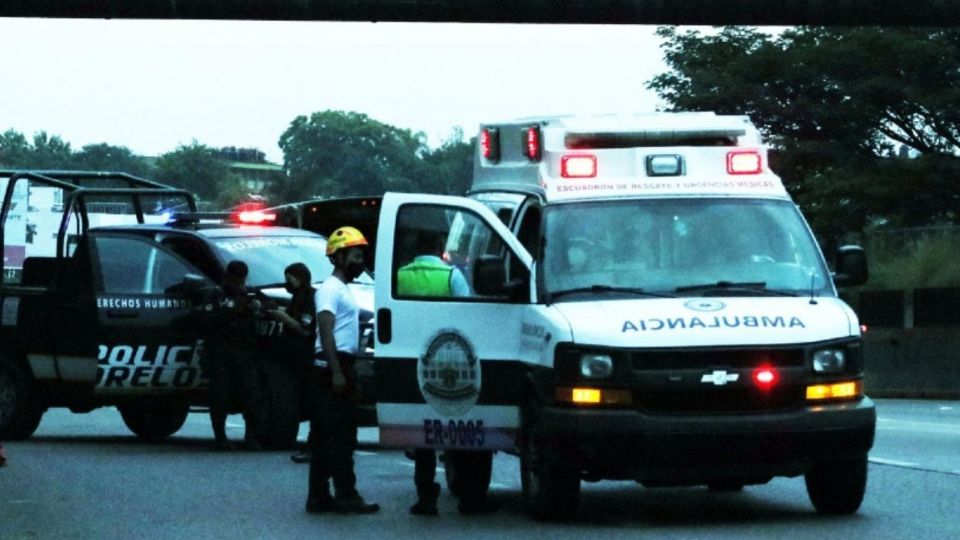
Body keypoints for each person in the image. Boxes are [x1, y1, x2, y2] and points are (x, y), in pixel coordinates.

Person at [396, 228, 498, 515]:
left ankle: (425, 497)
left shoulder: (401, 275)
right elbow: (469, 315)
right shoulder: (450, 276)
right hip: (450, 357)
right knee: (460, 427)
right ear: (440, 245)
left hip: (416, 360)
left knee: (423, 434)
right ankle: (470, 497)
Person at [305, 226, 379, 515]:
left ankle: (319, 497)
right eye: (356, 256)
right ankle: (346, 495)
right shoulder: (330, 290)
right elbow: (325, 330)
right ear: (338, 257)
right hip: (332, 366)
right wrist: (337, 372)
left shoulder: (342, 289)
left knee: (326, 435)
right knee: (341, 436)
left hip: (339, 365)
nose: (360, 262)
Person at [200, 260, 267, 451]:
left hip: (245, 353)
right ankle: (220, 438)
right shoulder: (217, 296)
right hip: (221, 353)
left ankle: (251, 437)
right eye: (235, 279)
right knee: (220, 396)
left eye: (241, 279)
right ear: (228, 277)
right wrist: (238, 310)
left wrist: (256, 306)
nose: (238, 283)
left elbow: (267, 305)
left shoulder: (250, 294)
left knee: (252, 395)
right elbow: (209, 319)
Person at [264, 263, 317, 465]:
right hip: (295, 359)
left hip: (306, 358)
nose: (288, 284)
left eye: (291, 280)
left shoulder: (310, 298)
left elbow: (304, 329)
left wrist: (281, 316)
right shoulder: (298, 297)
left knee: (312, 402)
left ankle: (314, 444)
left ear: (301, 279)